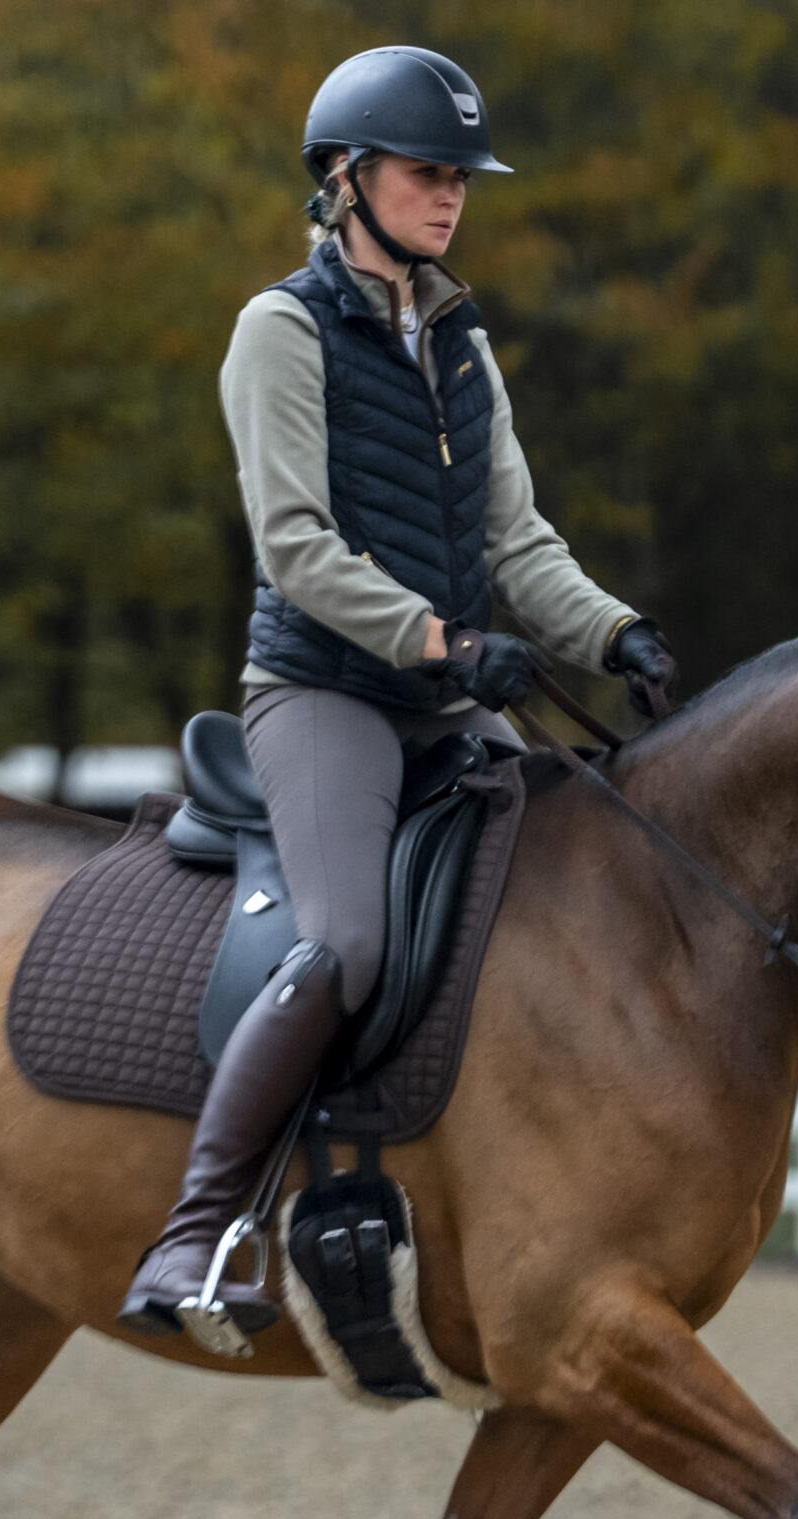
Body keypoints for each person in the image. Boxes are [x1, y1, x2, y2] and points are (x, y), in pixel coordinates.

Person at [121, 45, 676, 1353]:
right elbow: (298, 547)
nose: (450, 198)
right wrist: (439, 639)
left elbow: (518, 538)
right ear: (344, 179)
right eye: (430, 174)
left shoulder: (459, 337)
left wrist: (615, 632)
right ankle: (194, 1230)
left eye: (461, 179)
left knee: (568, 884)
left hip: (448, 692)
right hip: (324, 695)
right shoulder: (281, 330)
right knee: (347, 946)